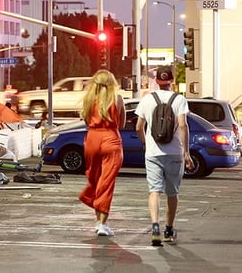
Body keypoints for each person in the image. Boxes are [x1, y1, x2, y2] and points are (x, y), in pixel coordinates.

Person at [135, 66, 191, 246]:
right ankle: (168, 229)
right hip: (174, 152)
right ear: (172, 80)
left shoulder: (147, 100)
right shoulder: (180, 100)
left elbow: (138, 127)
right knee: (172, 193)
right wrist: (186, 152)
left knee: (154, 191)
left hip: (153, 153)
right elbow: (183, 126)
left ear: (157, 81)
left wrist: (145, 143)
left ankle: (154, 227)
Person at [78, 69, 126, 237]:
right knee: (106, 182)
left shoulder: (89, 100)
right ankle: (102, 224)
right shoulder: (117, 99)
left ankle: (98, 220)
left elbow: (85, 120)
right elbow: (122, 123)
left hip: (92, 138)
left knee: (95, 179)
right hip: (110, 139)